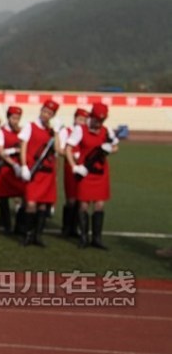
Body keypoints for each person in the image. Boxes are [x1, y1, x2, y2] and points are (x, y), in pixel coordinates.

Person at [64, 102, 118, 249]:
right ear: (91, 116)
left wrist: (110, 149)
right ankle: (83, 237)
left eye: (101, 121)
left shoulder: (107, 131)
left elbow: (115, 146)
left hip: (100, 172)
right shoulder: (80, 130)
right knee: (84, 204)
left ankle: (97, 238)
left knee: (99, 204)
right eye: (96, 120)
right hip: (85, 172)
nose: (98, 123)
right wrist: (74, 167)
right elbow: (68, 148)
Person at [18, 100, 59, 247]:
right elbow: (23, 146)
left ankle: (38, 235)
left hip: (47, 173)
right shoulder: (30, 126)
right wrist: (23, 166)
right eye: (45, 111)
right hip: (33, 171)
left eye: (50, 113)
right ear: (41, 110)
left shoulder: (51, 131)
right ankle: (27, 234)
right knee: (31, 203)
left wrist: (56, 133)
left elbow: (58, 151)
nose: (46, 115)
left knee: (43, 205)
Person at [0, 105, 26, 235]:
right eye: (13, 118)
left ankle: (19, 225)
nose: (15, 121)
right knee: (3, 197)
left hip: (17, 168)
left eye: (17, 118)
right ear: (8, 117)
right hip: (6, 167)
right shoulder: (1, 131)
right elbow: (0, 152)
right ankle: (6, 225)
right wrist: (13, 156)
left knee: (23, 196)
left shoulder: (21, 131)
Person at [58, 107, 89, 237]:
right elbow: (60, 150)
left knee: (81, 198)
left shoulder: (86, 132)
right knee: (71, 199)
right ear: (75, 118)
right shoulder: (67, 131)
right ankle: (66, 228)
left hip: (84, 169)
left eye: (84, 120)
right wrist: (72, 154)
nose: (81, 122)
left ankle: (76, 229)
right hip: (70, 167)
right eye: (79, 119)